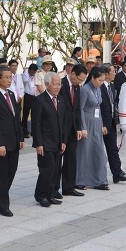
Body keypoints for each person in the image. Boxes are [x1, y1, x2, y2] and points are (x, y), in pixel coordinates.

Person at [0, 66, 25, 217]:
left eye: (10, 77)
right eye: (6, 77)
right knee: (1, 174)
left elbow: (16, 118)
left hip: (13, 140)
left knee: (11, 171)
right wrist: (0, 144)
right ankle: (2, 205)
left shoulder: (11, 94)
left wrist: (20, 137)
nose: (9, 80)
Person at [32, 72, 67, 207]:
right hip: (45, 143)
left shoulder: (61, 100)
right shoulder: (39, 100)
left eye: (59, 84)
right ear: (47, 85)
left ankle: (51, 193)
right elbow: (36, 124)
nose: (58, 87)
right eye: (55, 84)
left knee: (56, 169)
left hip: (58, 142)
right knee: (47, 169)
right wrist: (38, 143)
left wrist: (63, 141)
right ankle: (41, 195)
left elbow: (63, 122)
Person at [56, 64, 87, 197]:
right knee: (57, 161)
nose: (80, 82)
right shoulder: (60, 84)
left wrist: (79, 127)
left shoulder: (77, 88)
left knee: (71, 159)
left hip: (73, 129)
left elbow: (77, 109)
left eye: (83, 80)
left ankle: (69, 187)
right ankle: (54, 188)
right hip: (60, 128)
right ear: (72, 74)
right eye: (79, 79)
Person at [76, 67, 109, 190]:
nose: (101, 83)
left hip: (96, 124)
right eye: (99, 80)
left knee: (99, 152)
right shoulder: (85, 89)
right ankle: (80, 180)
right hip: (87, 124)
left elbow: (98, 108)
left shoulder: (98, 89)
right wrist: (82, 127)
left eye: (103, 81)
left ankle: (100, 180)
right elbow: (81, 109)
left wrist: (102, 124)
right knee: (85, 152)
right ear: (93, 78)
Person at [100, 63, 126, 184]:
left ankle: (117, 173)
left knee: (113, 148)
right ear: (106, 74)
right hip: (101, 124)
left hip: (111, 123)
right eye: (113, 71)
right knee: (99, 151)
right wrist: (102, 123)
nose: (115, 73)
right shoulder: (99, 86)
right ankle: (99, 175)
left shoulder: (111, 87)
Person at [21, 63, 39, 138]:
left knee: (35, 114)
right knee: (26, 114)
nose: (32, 74)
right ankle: (24, 130)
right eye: (31, 72)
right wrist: (26, 72)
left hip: (35, 96)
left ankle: (34, 131)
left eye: (33, 72)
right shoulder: (26, 75)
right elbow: (25, 80)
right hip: (28, 95)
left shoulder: (36, 75)